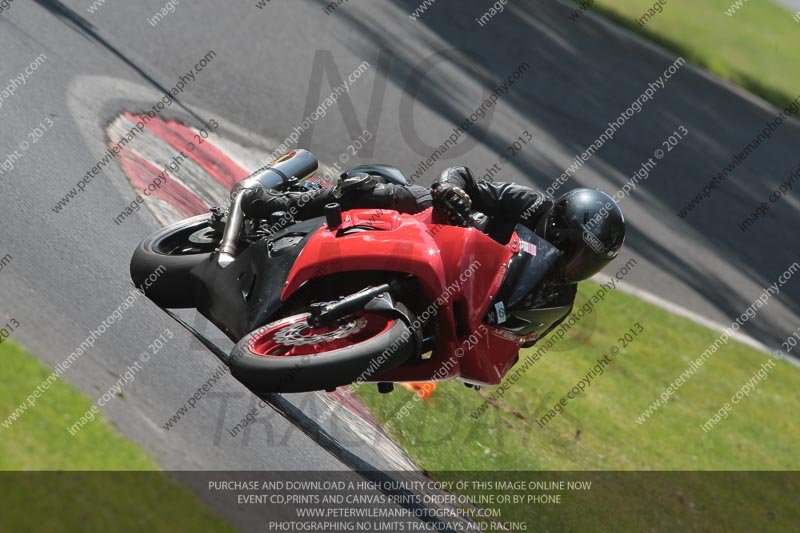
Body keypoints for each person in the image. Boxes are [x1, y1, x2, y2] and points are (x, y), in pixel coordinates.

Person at [241, 163, 625, 339]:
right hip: (437, 229)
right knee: (388, 193)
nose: (574, 265)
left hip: (457, 299)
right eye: (573, 250)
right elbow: (465, 177)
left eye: (588, 263)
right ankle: (278, 202)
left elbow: (521, 339)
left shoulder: (557, 298)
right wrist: (452, 190)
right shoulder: (529, 204)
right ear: (558, 226)